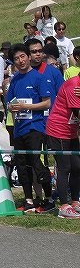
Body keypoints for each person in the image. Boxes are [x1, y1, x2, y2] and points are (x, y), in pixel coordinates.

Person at [6, 43, 55, 213]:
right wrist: (12, 107)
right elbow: (9, 104)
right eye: (16, 58)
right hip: (19, 129)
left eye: (22, 56)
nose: (20, 61)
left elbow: (47, 102)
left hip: (35, 127)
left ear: (28, 57)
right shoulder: (14, 81)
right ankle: (29, 200)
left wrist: (27, 107)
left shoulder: (38, 77)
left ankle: (49, 198)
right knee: (22, 166)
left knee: (36, 162)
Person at [45, 71, 80, 218]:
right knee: (65, 167)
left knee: (77, 166)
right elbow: (77, 112)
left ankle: (75, 202)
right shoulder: (74, 85)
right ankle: (64, 206)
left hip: (71, 132)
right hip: (58, 130)